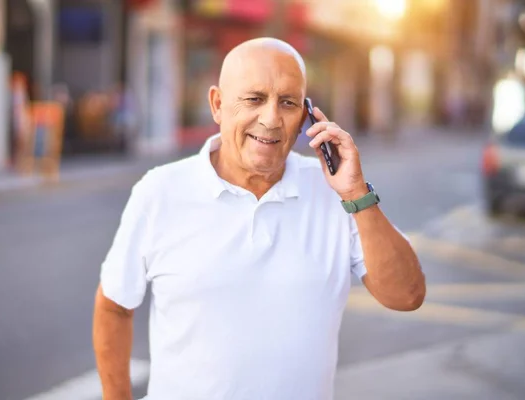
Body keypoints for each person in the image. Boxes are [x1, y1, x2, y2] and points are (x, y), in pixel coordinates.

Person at [93, 37, 426, 400]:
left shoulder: (337, 195)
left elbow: (407, 296)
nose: (270, 119)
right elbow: (114, 307)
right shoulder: (159, 191)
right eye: (254, 99)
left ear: (306, 116)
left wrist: (357, 194)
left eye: (288, 103)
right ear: (218, 105)